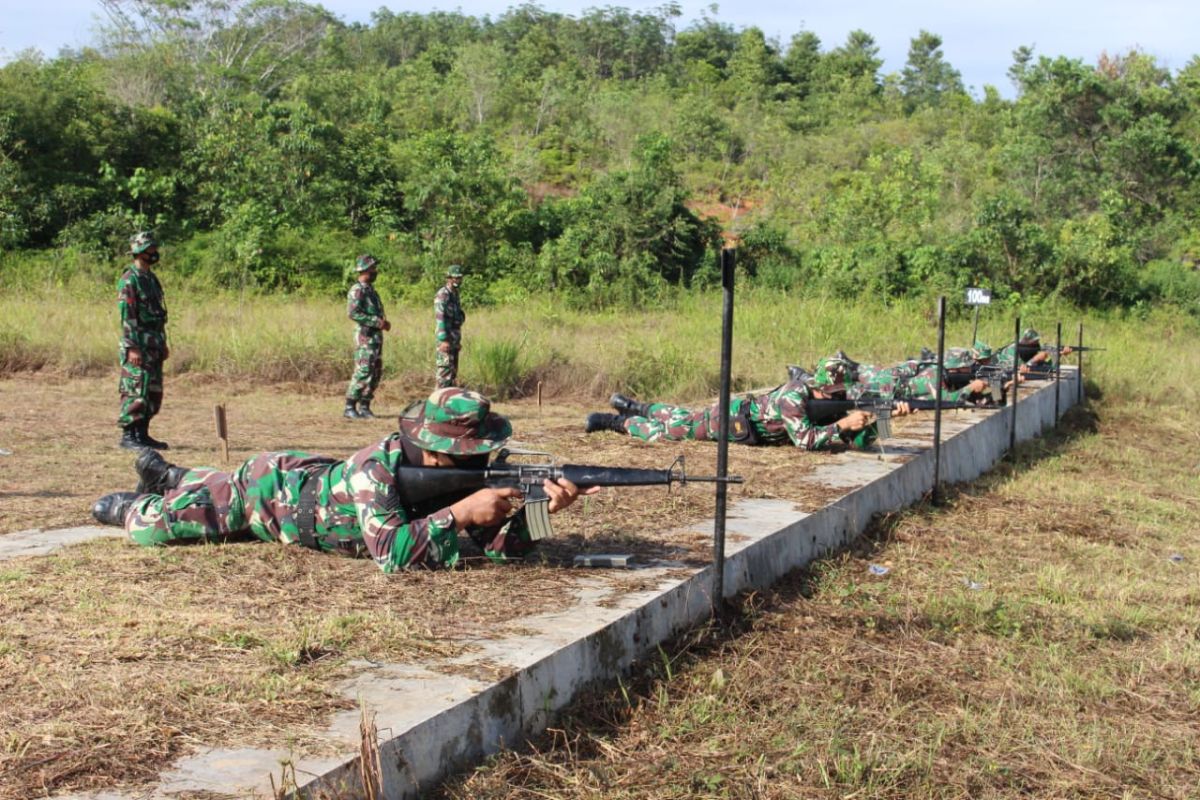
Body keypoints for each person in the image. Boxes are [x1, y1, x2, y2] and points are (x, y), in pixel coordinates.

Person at [90, 389, 594, 571]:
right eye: (471, 452)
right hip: (269, 494)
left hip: (308, 474)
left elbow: (502, 550)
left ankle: (173, 474)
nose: (482, 460)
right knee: (158, 527)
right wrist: (461, 513)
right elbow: (393, 555)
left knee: (206, 483)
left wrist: (541, 516)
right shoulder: (375, 469)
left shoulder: (452, 477)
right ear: (437, 453)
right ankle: (133, 502)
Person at [585, 356, 913, 451]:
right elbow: (806, 441)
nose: (843, 395)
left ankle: (636, 406)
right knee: (671, 431)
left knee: (681, 415)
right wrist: (843, 424)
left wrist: (881, 420)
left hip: (743, 421)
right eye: (838, 389)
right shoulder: (793, 397)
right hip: (734, 422)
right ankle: (619, 421)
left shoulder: (837, 399)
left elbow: (863, 443)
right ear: (823, 386)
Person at [116, 231, 170, 450]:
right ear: (139, 252)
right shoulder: (129, 280)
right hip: (138, 343)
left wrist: (163, 342)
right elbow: (127, 315)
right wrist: (132, 348)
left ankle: (143, 434)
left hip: (154, 342)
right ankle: (129, 435)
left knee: (152, 389)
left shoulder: (151, 278)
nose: (154, 252)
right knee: (136, 388)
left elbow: (159, 314)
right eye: (150, 249)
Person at [344, 254, 390, 420]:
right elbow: (353, 313)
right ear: (365, 270)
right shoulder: (357, 290)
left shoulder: (371, 291)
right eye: (373, 268)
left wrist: (382, 323)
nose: (375, 271)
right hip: (365, 337)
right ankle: (350, 406)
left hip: (375, 337)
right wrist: (377, 322)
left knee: (375, 371)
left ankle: (365, 405)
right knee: (363, 370)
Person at [434, 264, 466, 388]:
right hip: (445, 340)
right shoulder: (443, 295)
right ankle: (437, 404)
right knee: (444, 375)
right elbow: (440, 318)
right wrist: (443, 340)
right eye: (455, 278)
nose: (458, 280)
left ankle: (448, 405)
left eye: (459, 278)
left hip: (454, 340)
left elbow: (458, 317)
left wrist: (456, 341)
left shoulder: (455, 294)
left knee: (452, 374)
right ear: (449, 278)